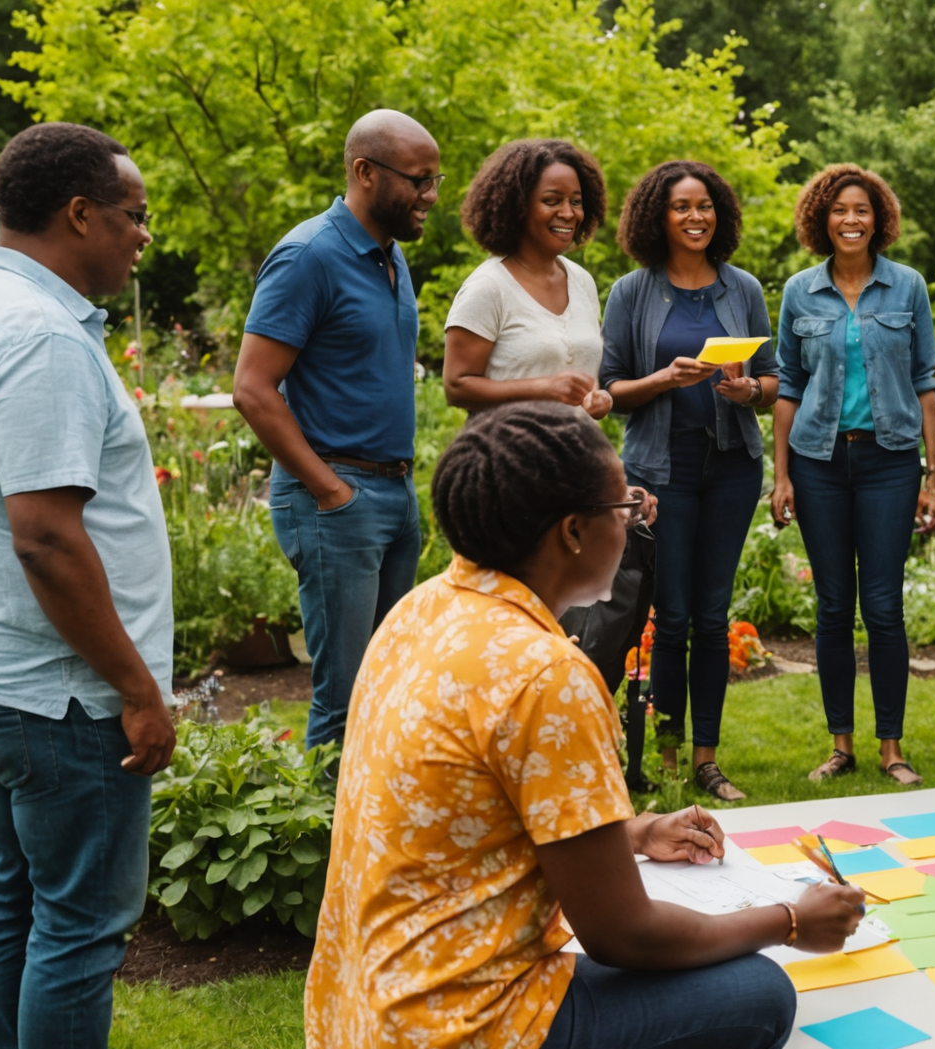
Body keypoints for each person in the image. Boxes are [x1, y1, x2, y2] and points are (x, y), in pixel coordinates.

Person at [305, 402, 863, 1049]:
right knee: (760, 996)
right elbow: (622, 935)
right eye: (624, 504)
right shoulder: (547, 673)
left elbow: (471, 810)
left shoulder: (422, 611)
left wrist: (630, 832)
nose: (632, 521)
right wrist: (792, 922)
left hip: (372, 1035)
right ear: (572, 531)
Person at [0, 124, 222, 1049]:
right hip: (58, 690)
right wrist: (136, 690)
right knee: (78, 922)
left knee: (16, 899)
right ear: (79, 214)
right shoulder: (42, 338)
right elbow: (48, 538)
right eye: (136, 214)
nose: (144, 236)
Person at [233, 109, 439, 752]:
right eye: (419, 180)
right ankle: (327, 849)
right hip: (336, 495)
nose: (431, 196)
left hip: (393, 492)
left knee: (389, 688)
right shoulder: (308, 256)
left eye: (436, 180)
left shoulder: (391, 258)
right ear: (365, 172)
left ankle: (376, 843)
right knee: (345, 700)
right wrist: (328, 490)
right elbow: (252, 388)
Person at [600, 160, 779, 802]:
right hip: (660, 472)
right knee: (669, 617)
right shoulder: (632, 292)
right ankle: (668, 753)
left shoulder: (743, 289)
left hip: (731, 466)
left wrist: (748, 387)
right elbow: (609, 389)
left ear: (719, 213)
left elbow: (774, 378)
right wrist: (663, 382)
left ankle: (706, 759)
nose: (695, 217)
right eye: (682, 207)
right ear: (659, 216)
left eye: (705, 206)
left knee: (711, 615)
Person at [771, 164, 935, 787]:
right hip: (818, 463)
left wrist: (932, 476)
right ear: (824, 218)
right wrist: (782, 475)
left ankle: (891, 747)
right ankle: (840, 744)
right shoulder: (798, 292)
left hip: (889, 461)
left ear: (879, 220)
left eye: (862, 210)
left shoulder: (908, 288)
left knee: (884, 607)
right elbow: (788, 388)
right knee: (833, 606)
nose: (851, 219)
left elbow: (927, 382)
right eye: (840, 210)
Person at [442, 139, 614, 420]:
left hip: (576, 455)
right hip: (508, 455)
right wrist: (541, 388)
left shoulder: (582, 282)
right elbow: (456, 386)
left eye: (576, 201)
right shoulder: (487, 287)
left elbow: (579, 371)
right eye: (552, 201)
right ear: (518, 207)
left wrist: (595, 397)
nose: (568, 213)